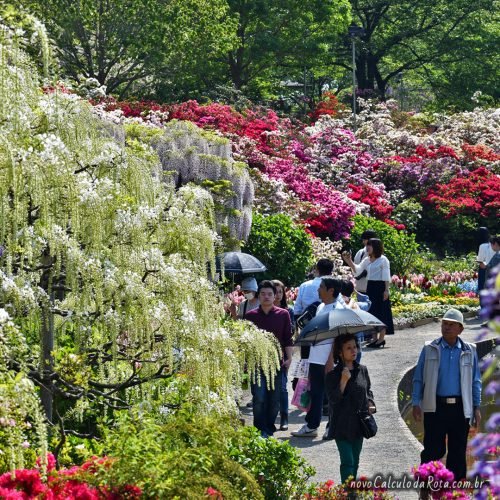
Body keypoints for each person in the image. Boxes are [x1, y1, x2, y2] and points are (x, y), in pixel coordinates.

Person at [411, 309, 482, 481]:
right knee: (433, 450)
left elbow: (475, 381)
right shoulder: (430, 348)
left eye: (451, 324)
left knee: (458, 453)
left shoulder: (469, 350)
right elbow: (418, 378)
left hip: (460, 408)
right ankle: (426, 487)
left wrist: (476, 406)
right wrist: (415, 402)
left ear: (460, 329)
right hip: (436, 407)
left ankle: (456, 493)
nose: (446, 327)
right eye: (444, 324)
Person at [292, 278, 344, 438]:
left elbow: (338, 337)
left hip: (327, 360)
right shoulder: (321, 306)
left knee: (332, 395)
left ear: (331, 291)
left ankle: (332, 427)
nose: (318, 289)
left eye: (321, 287)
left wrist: (330, 360)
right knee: (316, 393)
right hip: (315, 357)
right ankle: (312, 425)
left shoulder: (338, 308)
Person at [245, 280, 293, 438]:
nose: (266, 297)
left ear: (275, 296)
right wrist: (246, 362)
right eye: (263, 294)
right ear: (258, 296)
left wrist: (289, 358)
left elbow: (287, 338)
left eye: (270, 294)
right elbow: (246, 341)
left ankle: (269, 426)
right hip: (257, 363)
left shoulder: (283, 314)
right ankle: (260, 429)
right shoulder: (250, 316)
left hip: (277, 363)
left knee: (274, 400)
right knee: (259, 397)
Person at [325, 333, 375, 484]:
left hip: (359, 423)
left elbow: (368, 391)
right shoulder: (332, 375)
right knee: (348, 461)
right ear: (340, 352)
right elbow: (333, 400)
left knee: (356, 461)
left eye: (355, 347)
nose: (354, 350)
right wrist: (343, 381)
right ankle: (347, 493)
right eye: (348, 348)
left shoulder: (363, 370)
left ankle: (350, 491)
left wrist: (371, 403)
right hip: (341, 424)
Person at [342, 238, 394, 348]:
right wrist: (349, 261)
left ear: (376, 247)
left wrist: (386, 290)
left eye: (370, 246)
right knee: (372, 312)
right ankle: (374, 338)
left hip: (380, 287)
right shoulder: (367, 259)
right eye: (367, 246)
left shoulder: (383, 259)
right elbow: (358, 270)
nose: (368, 248)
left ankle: (381, 339)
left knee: (382, 312)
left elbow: (386, 276)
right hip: (370, 287)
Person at [272, 279, 295, 431]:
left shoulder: (288, 311)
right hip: (268, 353)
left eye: (281, 292)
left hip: (283, 353)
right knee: (270, 388)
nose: (278, 295)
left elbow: (290, 334)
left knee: (282, 387)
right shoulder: (265, 310)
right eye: (276, 292)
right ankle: (272, 416)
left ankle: (284, 417)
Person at [340, 280, 372, 363]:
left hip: (342, 342)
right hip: (356, 344)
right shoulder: (357, 305)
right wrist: (357, 292)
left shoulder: (338, 305)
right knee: (356, 366)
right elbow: (368, 302)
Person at [353, 230, 378, 295]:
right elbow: (355, 266)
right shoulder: (360, 252)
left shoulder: (376, 254)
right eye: (363, 240)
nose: (363, 241)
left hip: (369, 287)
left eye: (365, 239)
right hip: (359, 286)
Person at [476, 227, 494, 292]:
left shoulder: (482, 246)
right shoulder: (493, 245)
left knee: (483, 289)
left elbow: (481, 262)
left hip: (484, 269)